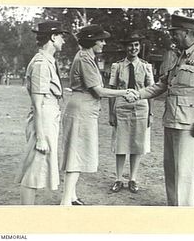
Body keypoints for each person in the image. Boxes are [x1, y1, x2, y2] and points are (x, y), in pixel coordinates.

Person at [133, 14, 194, 206]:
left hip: (189, 124)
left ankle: (184, 211)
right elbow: (162, 84)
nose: (173, 37)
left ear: (188, 33)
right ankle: (173, 206)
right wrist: (138, 94)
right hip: (172, 119)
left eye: (176, 33)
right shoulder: (178, 57)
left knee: (184, 170)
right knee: (171, 168)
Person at [59, 24, 138, 206]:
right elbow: (98, 91)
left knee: (77, 153)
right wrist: (124, 92)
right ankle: (65, 202)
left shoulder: (86, 57)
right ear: (91, 41)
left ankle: (71, 196)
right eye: (100, 40)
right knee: (75, 155)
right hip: (81, 110)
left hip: (84, 109)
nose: (103, 43)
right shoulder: (85, 59)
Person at [15, 21, 68, 204]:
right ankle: (26, 218)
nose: (64, 41)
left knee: (38, 170)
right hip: (43, 118)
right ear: (53, 37)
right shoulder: (40, 64)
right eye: (62, 36)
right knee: (33, 171)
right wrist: (40, 137)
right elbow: (38, 103)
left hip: (49, 116)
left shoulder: (47, 62)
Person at [108, 32, 154, 193]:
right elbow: (112, 90)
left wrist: (150, 114)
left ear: (140, 47)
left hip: (141, 107)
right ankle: (118, 179)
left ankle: (133, 179)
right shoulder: (118, 66)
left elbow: (151, 91)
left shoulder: (146, 66)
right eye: (130, 45)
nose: (133, 48)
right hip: (121, 106)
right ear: (125, 47)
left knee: (137, 143)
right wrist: (111, 113)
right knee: (121, 144)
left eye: (136, 45)